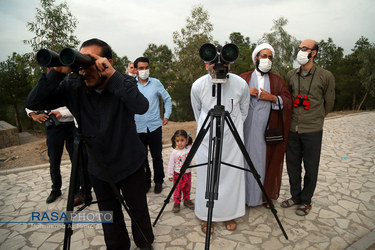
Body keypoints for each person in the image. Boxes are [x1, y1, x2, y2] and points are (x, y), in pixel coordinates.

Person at [26, 38, 154, 249]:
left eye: (89, 63)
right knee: (109, 216)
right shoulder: (73, 86)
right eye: (80, 64)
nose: (84, 71)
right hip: (99, 167)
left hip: (129, 162)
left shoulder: (123, 81)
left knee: (138, 210)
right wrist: (57, 72)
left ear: (107, 62)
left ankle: (145, 242)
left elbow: (141, 107)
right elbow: (33, 102)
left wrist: (112, 75)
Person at [191, 60, 250, 233]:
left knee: (231, 176)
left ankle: (228, 213)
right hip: (206, 139)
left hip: (232, 140)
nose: (216, 67)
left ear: (230, 65)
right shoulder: (198, 85)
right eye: (211, 63)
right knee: (206, 176)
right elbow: (198, 111)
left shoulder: (241, 84)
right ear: (205, 65)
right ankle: (205, 215)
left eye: (222, 63)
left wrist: (232, 129)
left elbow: (244, 110)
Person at [281, 39, 335, 216]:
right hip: (293, 128)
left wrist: (316, 118)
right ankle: (295, 196)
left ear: (314, 53)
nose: (300, 51)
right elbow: (287, 98)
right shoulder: (291, 75)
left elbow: (329, 103)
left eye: (305, 48)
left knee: (311, 167)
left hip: (312, 129)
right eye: (299, 48)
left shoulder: (325, 76)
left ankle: (306, 200)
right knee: (292, 165)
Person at [239, 43, 292, 208]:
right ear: (256, 58)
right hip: (245, 128)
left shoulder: (277, 80)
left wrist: (273, 98)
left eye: (270, 57)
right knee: (242, 160)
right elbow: (230, 96)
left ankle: (264, 196)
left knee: (264, 161)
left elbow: (288, 101)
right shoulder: (243, 78)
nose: (267, 60)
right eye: (264, 56)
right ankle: (243, 197)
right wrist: (245, 92)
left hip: (267, 129)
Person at [134, 56, 172, 194]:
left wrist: (166, 115)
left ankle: (158, 181)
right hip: (138, 127)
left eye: (146, 67)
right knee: (141, 157)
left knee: (157, 156)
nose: (144, 70)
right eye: (141, 68)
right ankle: (146, 181)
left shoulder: (156, 83)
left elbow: (167, 99)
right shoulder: (131, 84)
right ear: (136, 70)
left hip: (154, 126)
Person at [25, 107, 77, 204]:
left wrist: (62, 113)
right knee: (54, 160)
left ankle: (79, 190)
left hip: (72, 126)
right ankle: (56, 189)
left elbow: (79, 105)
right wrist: (33, 115)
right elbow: (30, 104)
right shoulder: (45, 92)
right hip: (53, 127)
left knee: (76, 159)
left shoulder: (70, 91)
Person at [167, 129, 195, 213]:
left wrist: (189, 138)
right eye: (177, 141)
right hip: (177, 174)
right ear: (174, 141)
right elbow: (171, 164)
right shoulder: (174, 152)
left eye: (182, 140)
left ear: (186, 140)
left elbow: (191, 143)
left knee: (187, 188)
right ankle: (177, 203)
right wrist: (170, 174)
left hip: (187, 173)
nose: (180, 143)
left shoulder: (188, 149)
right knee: (177, 189)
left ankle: (186, 200)